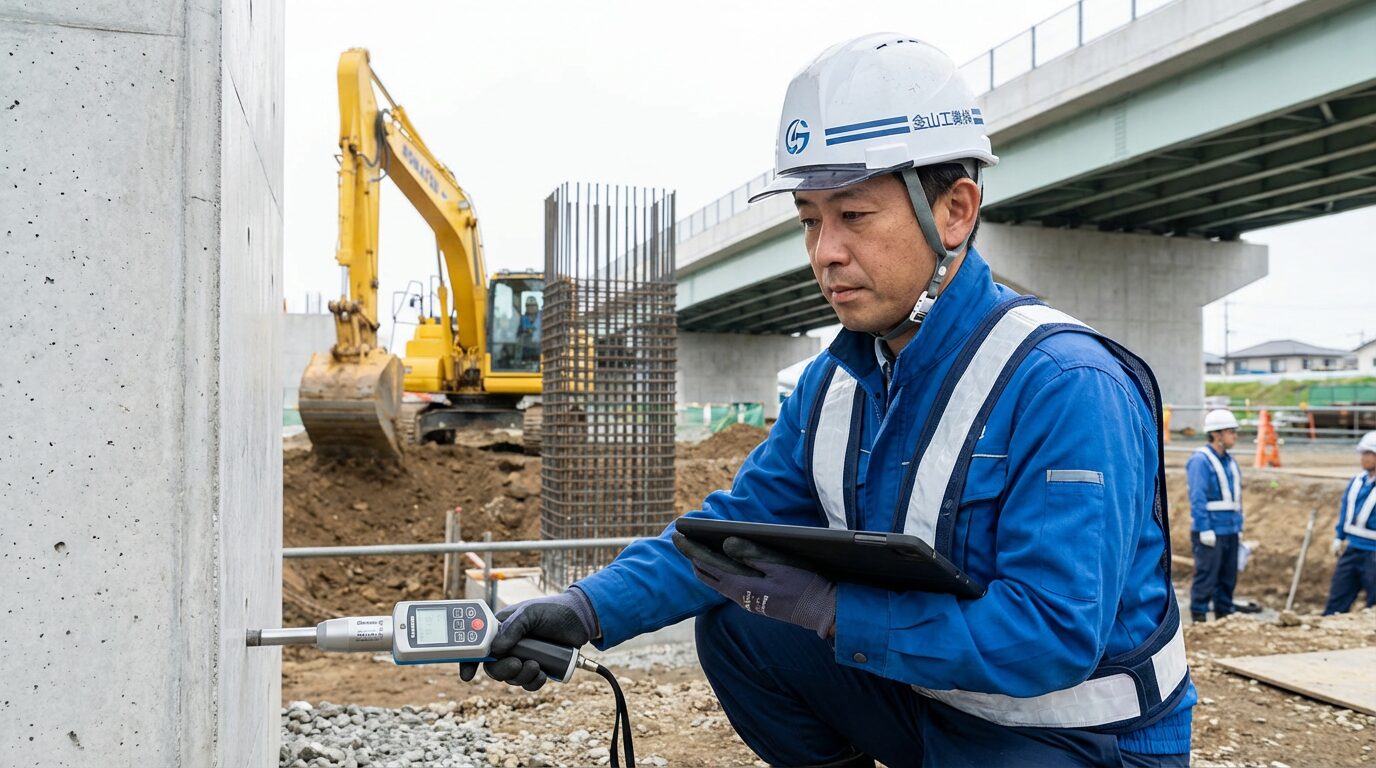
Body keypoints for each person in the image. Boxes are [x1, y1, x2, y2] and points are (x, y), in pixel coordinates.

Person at [465, 35, 1193, 767]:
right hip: (936, 709)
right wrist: (585, 610)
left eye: (854, 215)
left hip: (1080, 742)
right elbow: (725, 539)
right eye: (811, 218)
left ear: (955, 210)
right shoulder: (835, 384)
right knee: (740, 625)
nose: (824, 252)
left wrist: (836, 612)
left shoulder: (1066, 385)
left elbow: (1053, 635)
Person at [1186, 409, 1243, 623]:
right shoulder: (1201, 461)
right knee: (1207, 576)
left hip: (1230, 530)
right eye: (1231, 432)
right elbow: (1197, 497)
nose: (1235, 436)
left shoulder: (1230, 461)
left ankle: (1224, 616)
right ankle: (1199, 617)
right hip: (1211, 530)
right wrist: (1204, 528)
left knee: (1228, 578)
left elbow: (1236, 499)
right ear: (1216, 434)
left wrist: (1239, 527)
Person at [1323, 431, 1376, 614]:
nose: (1363, 459)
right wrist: (1339, 537)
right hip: (1353, 548)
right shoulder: (1357, 482)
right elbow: (1346, 510)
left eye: (1367, 454)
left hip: (1374, 553)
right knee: (1338, 596)